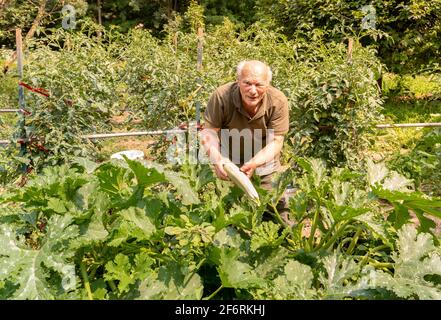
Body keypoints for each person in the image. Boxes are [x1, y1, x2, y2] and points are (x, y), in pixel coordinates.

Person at [200, 59, 290, 196]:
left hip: (265, 163)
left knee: (276, 209)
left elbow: (276, 141)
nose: (253, 91)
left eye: (259, 84)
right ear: (238, 80)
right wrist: (217, 160)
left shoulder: (277, 101)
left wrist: (254, 163)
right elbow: (209, 133)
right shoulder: (222, 96)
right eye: (247, 83)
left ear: (267, 85)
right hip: (229, 165)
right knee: (231, 211)